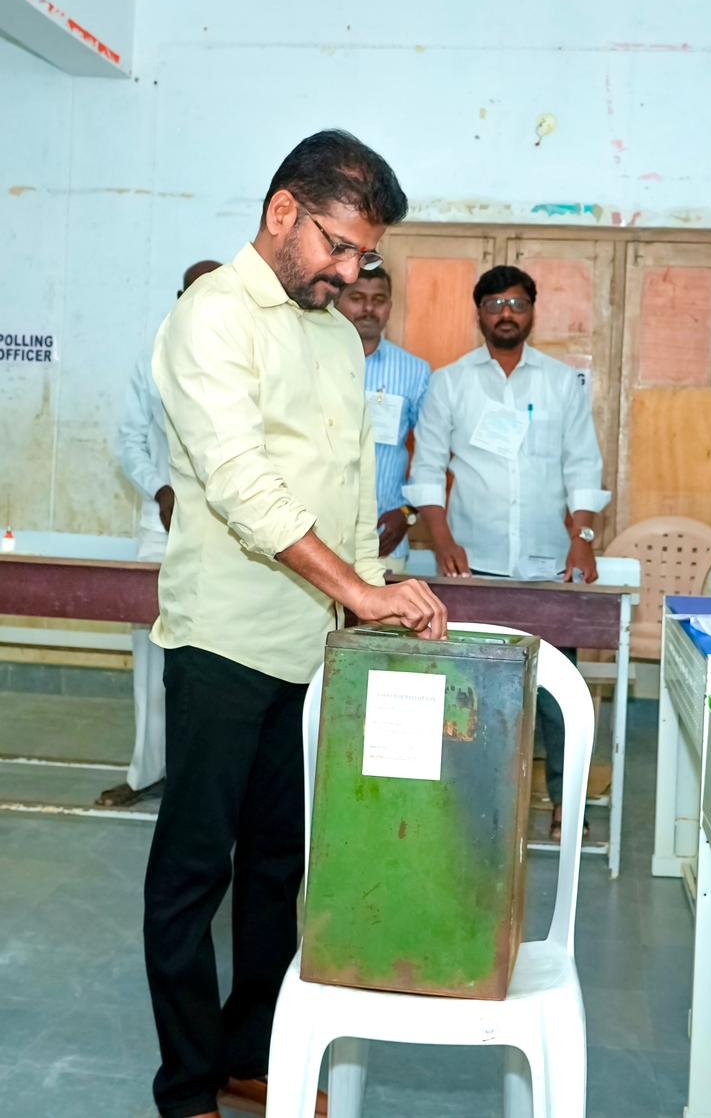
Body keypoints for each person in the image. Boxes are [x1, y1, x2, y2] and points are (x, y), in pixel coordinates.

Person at [144, 130, 446, 1118]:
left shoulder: (326, 331)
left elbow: (352, 483)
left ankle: (248, 1051)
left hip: (307, 648)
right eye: (340, 247)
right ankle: (186, 1084)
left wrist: (376, 594)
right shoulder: (211, 317)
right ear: (283, 212)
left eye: (365, 257)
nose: (352, 274)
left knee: (279, 866)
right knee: (196, 870)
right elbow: (243, 485)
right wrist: (355, 591)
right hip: (221, 641)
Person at [405, 264, 610, 841]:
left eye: (517, 303)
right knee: (473, 691)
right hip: (475, 569)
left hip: (547, 566)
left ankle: (566, 805)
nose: (506, 313)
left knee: (556, 694)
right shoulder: (450, 383)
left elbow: (583, 466)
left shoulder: (562, 382)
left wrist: (583, 537)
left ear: (532, 312)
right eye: (494, 303)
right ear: (479, 313)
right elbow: (427, 469)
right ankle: (467, 803)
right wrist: (442, 539)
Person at [99, 259, 220, 810]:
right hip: (161, 529)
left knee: (218, 660)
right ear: (180, 298)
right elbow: (129, 441)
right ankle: (148, 771)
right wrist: (160, 490)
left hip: (229, 537)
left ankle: (205, 779)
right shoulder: (152, 358)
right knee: (151, 658)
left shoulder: (247, 357)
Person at [334, 267, 431, 572]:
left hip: (383, 537)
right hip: (319, 534)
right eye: (357, 298)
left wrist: (408, 511)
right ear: (338, 300)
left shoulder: (415, 371)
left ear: (389, 307)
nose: (367, 308)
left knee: (381, 621)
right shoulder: (313, 360)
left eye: (378, 299)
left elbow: (431, 454)